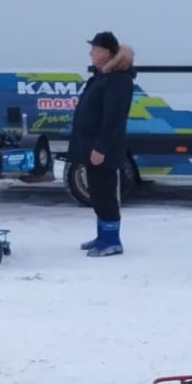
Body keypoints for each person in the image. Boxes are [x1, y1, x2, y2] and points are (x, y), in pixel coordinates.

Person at [69, 30, 135, 257]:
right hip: (91, 146)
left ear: (106, 53)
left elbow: (113, 119)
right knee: (96, 192)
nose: (90, 53)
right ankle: (102, 235)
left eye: (95, 49)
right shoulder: (102, 76)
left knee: (105, 193)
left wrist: (101, 148)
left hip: (102, 149)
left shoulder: (118, 80)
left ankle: (112, 241)